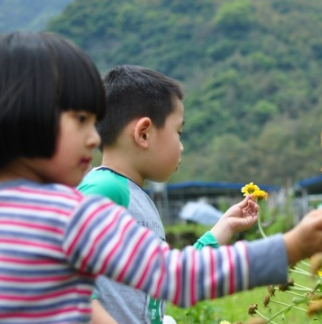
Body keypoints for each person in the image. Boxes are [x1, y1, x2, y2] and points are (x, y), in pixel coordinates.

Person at [0, 31, 322, 324]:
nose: (94, 137)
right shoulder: (73, 212)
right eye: (81, 120)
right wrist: (289, 247)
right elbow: (172, 275)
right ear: (29, 120)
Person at [77, 64, 261, 324]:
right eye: (178, 133)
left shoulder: (137, 196)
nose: (181, 147)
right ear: (144, 134)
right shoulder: (104, 189)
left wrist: (224, 227)